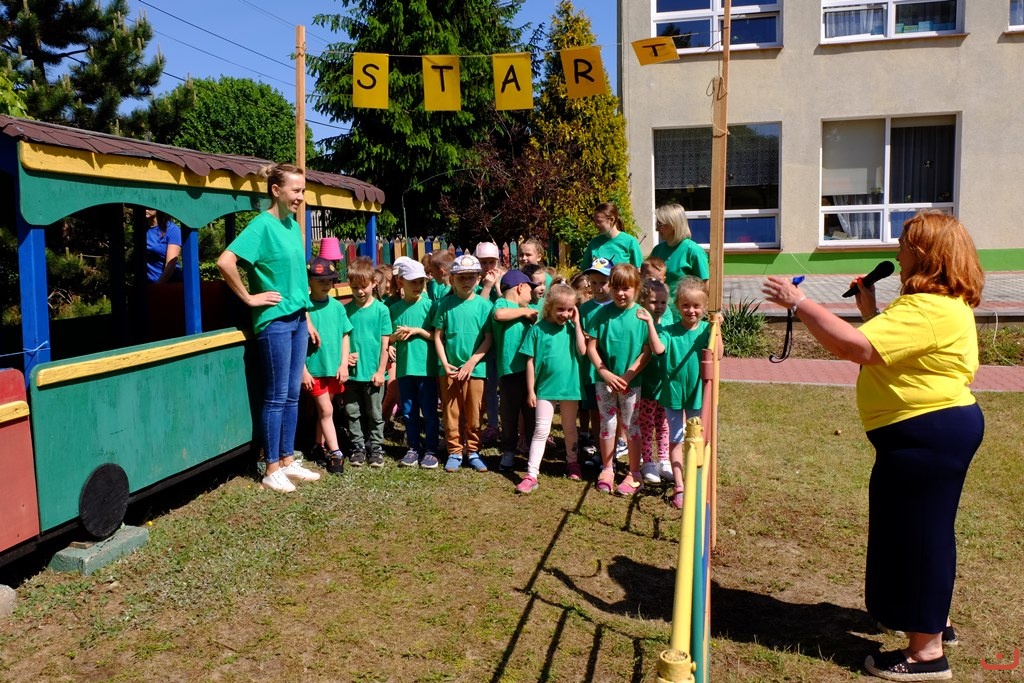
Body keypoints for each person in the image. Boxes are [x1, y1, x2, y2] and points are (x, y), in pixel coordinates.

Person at [761, 210, 985, 682]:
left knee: (921, 536)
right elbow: (890, 351)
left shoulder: (929, 307)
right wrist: (870, 313)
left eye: (905, 245)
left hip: (927, 433)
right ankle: (932, 621)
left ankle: (927, 655)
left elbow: (855, 348)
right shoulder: (938, 306)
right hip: (926, 433)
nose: (898, 253)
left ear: (925, 255)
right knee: (917, 532)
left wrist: (799, 302)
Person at [216, 163, 321, 493]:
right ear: (276, 190)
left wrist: (307, 317)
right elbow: (225, 261)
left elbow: (296, 279)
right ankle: (271, 467)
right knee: (276, 396)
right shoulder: (261, 225)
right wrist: (249, 298)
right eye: (296, 190)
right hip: (274, 322)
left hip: (297, 319)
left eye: (303, 191)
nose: (300, 197)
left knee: (292, 394)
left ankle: (288, 460)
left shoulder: (293, 226)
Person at [650, 277, 722, 508]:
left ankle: (696, 480)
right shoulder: (669, 331)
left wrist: (718, 329)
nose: (691, 310)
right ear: (678, 305)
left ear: (704, 306)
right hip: (673, 393)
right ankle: (679, 485)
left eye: (697, 306)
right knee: (676, 438)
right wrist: (650, 324)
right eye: (686, 305)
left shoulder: (707, 330)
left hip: (697, 393)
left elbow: (718, 354)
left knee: (697, 438)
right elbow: (658, 349)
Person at [584, 262, 651, 496]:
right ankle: (607, 468)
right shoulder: (601, 315)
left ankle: (634, 473)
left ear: (636, 288)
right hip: (605, 381)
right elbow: (591, 347)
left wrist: (628, 375)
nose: (620, 293)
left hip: (631, 383)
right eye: (616, 288)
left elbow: (646, 352)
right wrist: (604, 372)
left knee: (631, 426)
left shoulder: (642, 316)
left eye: (626, 288)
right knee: (608, 424)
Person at [515, 283, 588, 493]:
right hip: (545, 388)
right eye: (560, 309)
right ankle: (531, 474)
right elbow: (530, 361)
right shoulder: (537, 330)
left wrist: (577, 323)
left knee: (569, 428)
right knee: (541, 430)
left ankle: (572, 462)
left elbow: (583, 351)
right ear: (549, 307)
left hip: (570, 387)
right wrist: (531, 390)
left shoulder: (572, 329)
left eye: (570, 309)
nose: (565, 314)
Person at [432, 254, 493, 473]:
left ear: (478, 279)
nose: (466, 281)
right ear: (452, 279)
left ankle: (473, 450)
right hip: (449, 370)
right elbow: (438, 336)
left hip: (475, 370)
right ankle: (455, 451)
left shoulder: (485, 306)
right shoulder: (444, 305)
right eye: (461, 277)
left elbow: (488, 339)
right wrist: (444, 363)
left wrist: (472, 362)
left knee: (475, 412)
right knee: (451, 412)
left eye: (471, 277)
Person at [389, 257, 441, 469]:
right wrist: (392, 341)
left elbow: (438, 336)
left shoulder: (431, 306)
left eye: (421, 282)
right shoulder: (394, 309)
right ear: (401, 282)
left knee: (429, 412)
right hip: (404, 369)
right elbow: (387, 337)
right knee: (409, 412)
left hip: (427, 369)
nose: (417, 286)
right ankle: (413, 447)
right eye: (413, 282)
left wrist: (418, 331)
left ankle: (431, 449)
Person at [301, 257, 352, 475]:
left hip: (333, 368)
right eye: (320, 280)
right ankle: (336, 453)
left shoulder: (338, 307)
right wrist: (303, 371)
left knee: (325, 410)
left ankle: (318, 445)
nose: (326, 284)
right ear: (309, 281)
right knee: (327, 410)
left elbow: (345, 335)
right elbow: (296, 343)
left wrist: (344, 364)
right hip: (314, 369)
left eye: (330, 280)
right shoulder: (303, 309)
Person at [343, 257, 393, 468]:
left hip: (373, 373)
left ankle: (376, 447)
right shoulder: (346, 310)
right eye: (354, 287)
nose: (359, 291)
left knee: (375, 413)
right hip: (352, 373)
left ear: (374, 282)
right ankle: (358, 446)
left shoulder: (382, 310)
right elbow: (342, 339)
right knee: (352, 411)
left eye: (363, 286)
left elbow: (385, 344)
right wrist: (344, 358)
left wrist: (381, 371)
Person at [491, 269, 539, 471]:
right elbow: (499, 314)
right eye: (530, 289)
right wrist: (524, 312)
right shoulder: (502, 303)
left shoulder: (530, 309)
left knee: (531, 414)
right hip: (509, 372)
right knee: (509, 415)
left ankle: (532, 453)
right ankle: (509, 452)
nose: (532, 294)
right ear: (520, 287)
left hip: (531, 372)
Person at [635, 278, 673, 485]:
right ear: (643, 302)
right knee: (646, 424)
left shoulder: (668, 323)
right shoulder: (640, 325)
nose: (658, 306)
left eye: (662, 302)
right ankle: (647, 461)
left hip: (663, 385)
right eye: (653, 302)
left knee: (664, 424)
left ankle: (664, 460)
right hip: (646, 384)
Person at [578, 258, 614, 465]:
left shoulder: (617, 306)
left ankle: (616, 447)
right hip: (591, 370)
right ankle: (600, 450)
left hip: (612, 368)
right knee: (594, 409)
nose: (599, 287)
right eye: (594, 282)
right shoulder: (585, 308)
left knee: (614, 412)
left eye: (603, 282)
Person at [649, 203, 710, 324]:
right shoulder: (658, 250)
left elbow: (705, 287)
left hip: (684, 318)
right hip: (660, 315)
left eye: (659, 224)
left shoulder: (694, 251)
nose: (656, 229)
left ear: (673, 224)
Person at [475, 241, 505, 444]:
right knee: (490, 387)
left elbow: (508, 303)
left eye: (491, 262)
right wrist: (487, 287)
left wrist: (498, 287)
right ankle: (493, 424)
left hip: (505, 343)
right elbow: (478, 309)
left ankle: (510, 426)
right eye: (483, 262)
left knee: (507, 388)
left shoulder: (505, 281)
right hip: (486, 343)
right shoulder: (475, 284)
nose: (487, 267)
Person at [580, 202, 643, 271]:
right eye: (594, 221)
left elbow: (638, 271)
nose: (595, 225)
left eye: (599, 221)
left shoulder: (630, 242)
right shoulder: (594, 243)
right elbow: (584, 272)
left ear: (612, 220)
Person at [145, 209, 182, 284]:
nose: (146, 209)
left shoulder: (172, 230)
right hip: (148, 282)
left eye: (149, 207)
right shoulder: (142, 229)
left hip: (169, 283)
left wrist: (157, 286)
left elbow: (170, 264)